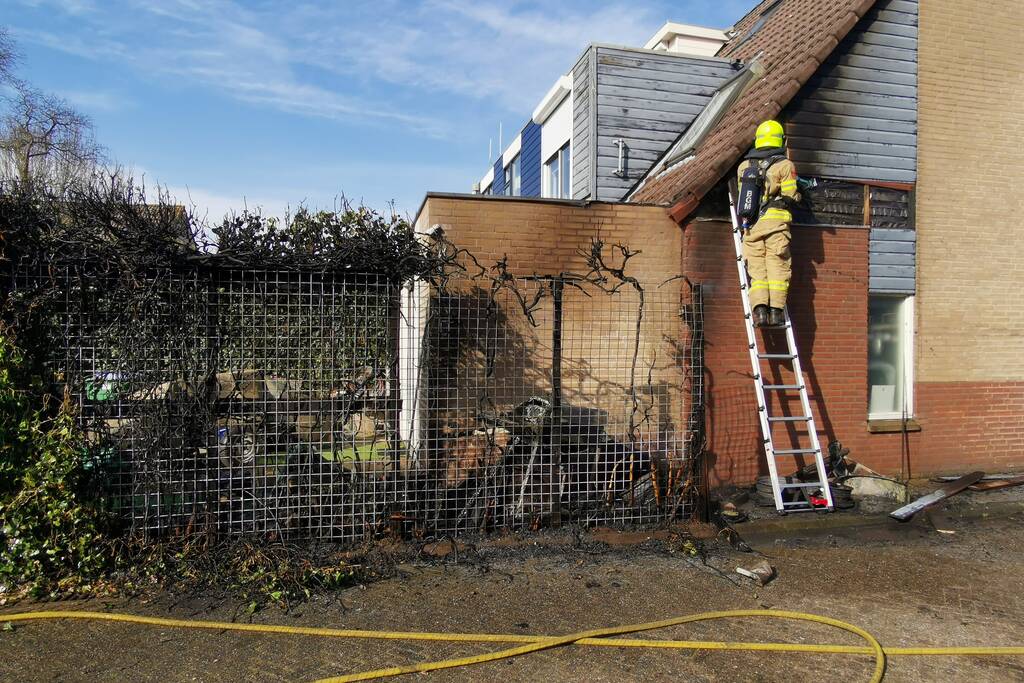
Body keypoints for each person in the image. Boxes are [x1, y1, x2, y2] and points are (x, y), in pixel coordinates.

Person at [736, 119, 800, 327]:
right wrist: (800, 195)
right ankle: (776, 313)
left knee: (757, 271)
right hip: (776, 226)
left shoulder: (744, 167)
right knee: (777, 266)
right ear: (781, 139)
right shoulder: (785, 165)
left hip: (752, 226)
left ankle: (760, 312)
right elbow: (789, 196)